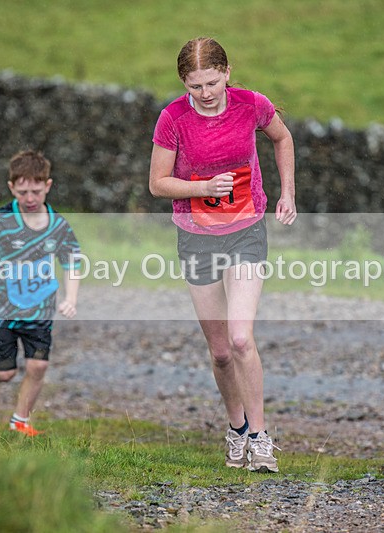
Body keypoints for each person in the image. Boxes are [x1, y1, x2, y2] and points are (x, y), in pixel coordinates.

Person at [149, 37, 297, 472]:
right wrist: (200, 188)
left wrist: (287, 194)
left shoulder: (251, 105)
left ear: (227, 73)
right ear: (184, 84)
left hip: (246, 230)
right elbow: (158, 183)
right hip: (196, 236)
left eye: (212, 82)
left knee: (239, 338)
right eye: (195, 86)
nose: (206, 93)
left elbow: (282, 139)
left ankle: (260, 437)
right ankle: (236, 429)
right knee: (218, 351)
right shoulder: (172, 118)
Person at [0, 149, 81, 437]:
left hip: (40, 308)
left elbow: (72, 261)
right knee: (5, 374)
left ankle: (20, 421)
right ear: (12, 188)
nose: (30, 199)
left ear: (48, 186)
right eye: (23, 192)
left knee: (38, 365)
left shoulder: (57, 225)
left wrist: (71, 298)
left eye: (36, 191)